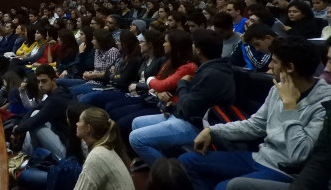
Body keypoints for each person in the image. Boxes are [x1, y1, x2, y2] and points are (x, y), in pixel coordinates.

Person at [179, 36, 331, 190]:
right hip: (260, 157)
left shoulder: (324, 103)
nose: (270, 66)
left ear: (290, 67)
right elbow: (256, 125)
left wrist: (289, 107)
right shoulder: (277, 88)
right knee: (186, 162)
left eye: (274, 61)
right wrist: (212, 131)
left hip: (286, 171)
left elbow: (300, 154)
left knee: (225, 187)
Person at [129, 30, 236, 166]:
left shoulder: (212, 74)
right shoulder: (207, 69)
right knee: (136, 122)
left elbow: (188, 107)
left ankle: (167, 173)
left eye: (192, 44)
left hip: (196, 125)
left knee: (136, 139)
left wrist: (183, 84)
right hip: (186, 116)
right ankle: (161, 159)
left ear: (198, 50)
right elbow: (190, 101)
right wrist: (173, 105)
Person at [11, 65, 72, 158]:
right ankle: (27, 154)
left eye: (44, 81)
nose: (40, 85)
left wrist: (16, 131)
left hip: (66, 152)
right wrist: (18, 128)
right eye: (38, 81)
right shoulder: (57, 92)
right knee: (34, 115)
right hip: (60, 137)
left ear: (54, 80)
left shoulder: (58, 99)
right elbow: (33, 109)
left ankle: (26, 155)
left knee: (34, 123)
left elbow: (37, 119)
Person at [73, 107, 134, 190]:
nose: (77, 124)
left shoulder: (97, 156)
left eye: (80, 121)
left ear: (88, 128)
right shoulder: (106, 148)